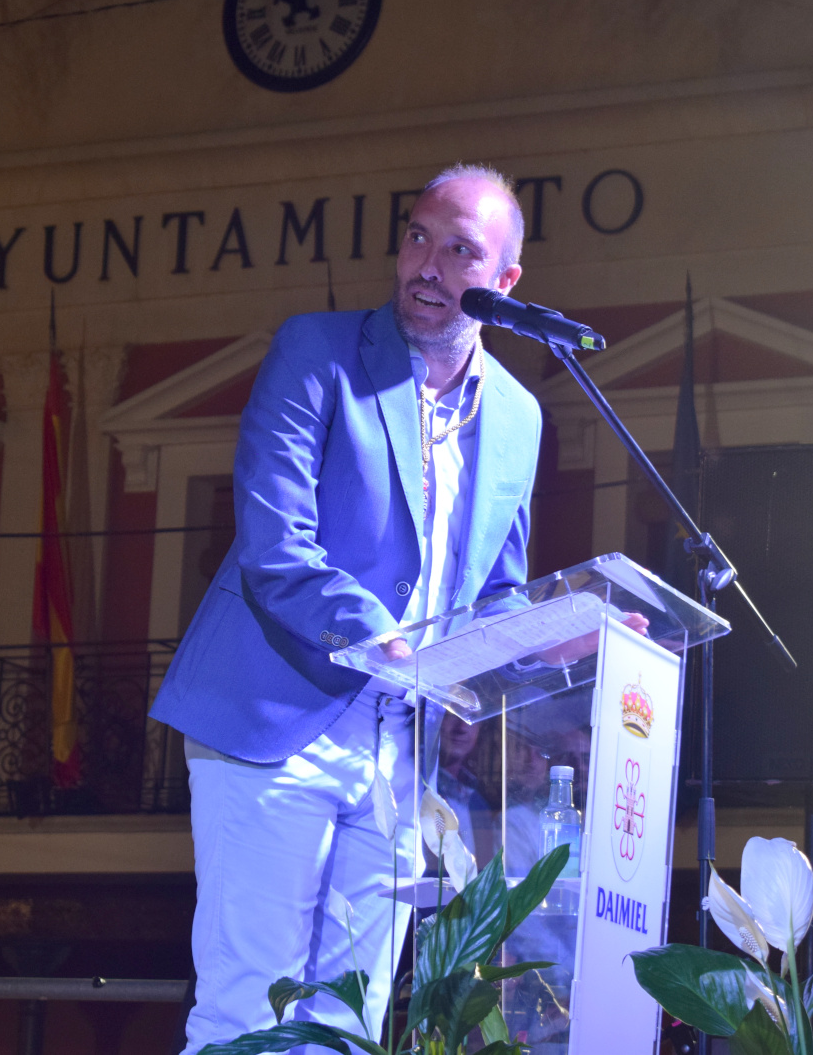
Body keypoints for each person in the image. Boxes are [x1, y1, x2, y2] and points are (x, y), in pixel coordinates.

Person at [150, 164, 543, 1054]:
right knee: (249, 1011)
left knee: (348, 1026)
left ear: (506, 282)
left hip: (400, 760)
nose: (428, 265)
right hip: (274, 719)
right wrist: (386, 641)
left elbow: (495, 596)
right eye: (416, 237)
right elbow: (275, 545)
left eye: (460, 250)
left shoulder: (518, 415)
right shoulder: (318, 351)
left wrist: (560, 642)